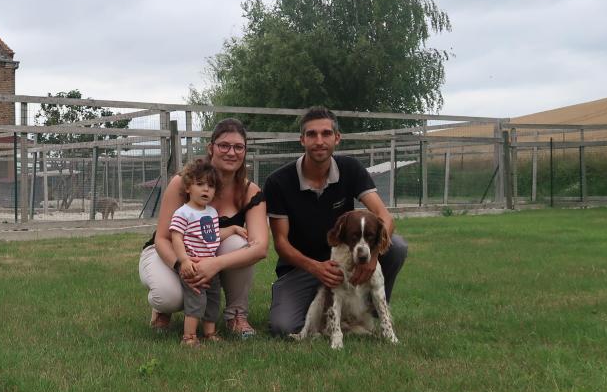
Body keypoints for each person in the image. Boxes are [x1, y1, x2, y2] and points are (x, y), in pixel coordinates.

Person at [264, 106, 408, 337]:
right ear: (302, 140)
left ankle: (371, 312)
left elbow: (384, 217)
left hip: (346, 258)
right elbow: (281, 243)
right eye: (311, 134)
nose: (319, 141)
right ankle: (320, 308)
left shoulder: (350, 168)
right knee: (283, 327)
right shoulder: (278, 182)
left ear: (337, 138)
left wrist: (372, 257)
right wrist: (316, 267)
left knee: (397, 247)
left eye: (326, 133)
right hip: (301, 268)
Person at [139, 117, 269, 338]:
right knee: (169, 296)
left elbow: (260, 247)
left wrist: (214, 265)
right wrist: (182, 266)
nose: (231, 152)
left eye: (238, 147)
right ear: (211, 148)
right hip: (169, 252)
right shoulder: (182, 183)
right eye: (224, 145)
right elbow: (162, 238)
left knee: (239, 242)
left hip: (209, 254)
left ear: (245, 151)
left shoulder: (250, 192)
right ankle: (163, 309)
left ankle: (236, 315)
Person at [168, 159, 248, 347]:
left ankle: (209, 332)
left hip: (211, 267)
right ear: (188, 187)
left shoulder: (211, 212)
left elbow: (213, 236)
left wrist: (234, 228)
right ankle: (189, 337)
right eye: (200, 184)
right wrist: (184, 261)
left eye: (211, 186)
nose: (206, 190)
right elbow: (176, 238)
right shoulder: (183, 213)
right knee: (197, 300)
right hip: (194, 267)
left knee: (213, 300)